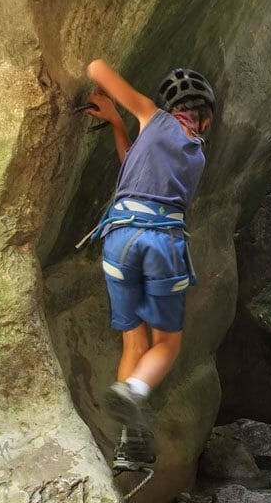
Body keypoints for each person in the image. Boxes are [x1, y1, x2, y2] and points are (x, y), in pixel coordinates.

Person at [84, 60, 215, 467]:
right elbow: (145, 171)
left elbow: (95, 68)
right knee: (167, 345)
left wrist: (118, 113)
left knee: (133, 342)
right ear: (204, 122)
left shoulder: (152, 117)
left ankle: (131, 442)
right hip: (162, 242)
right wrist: (121, 125)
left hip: (119, 238)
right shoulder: (197, 156)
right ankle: (134, 393)